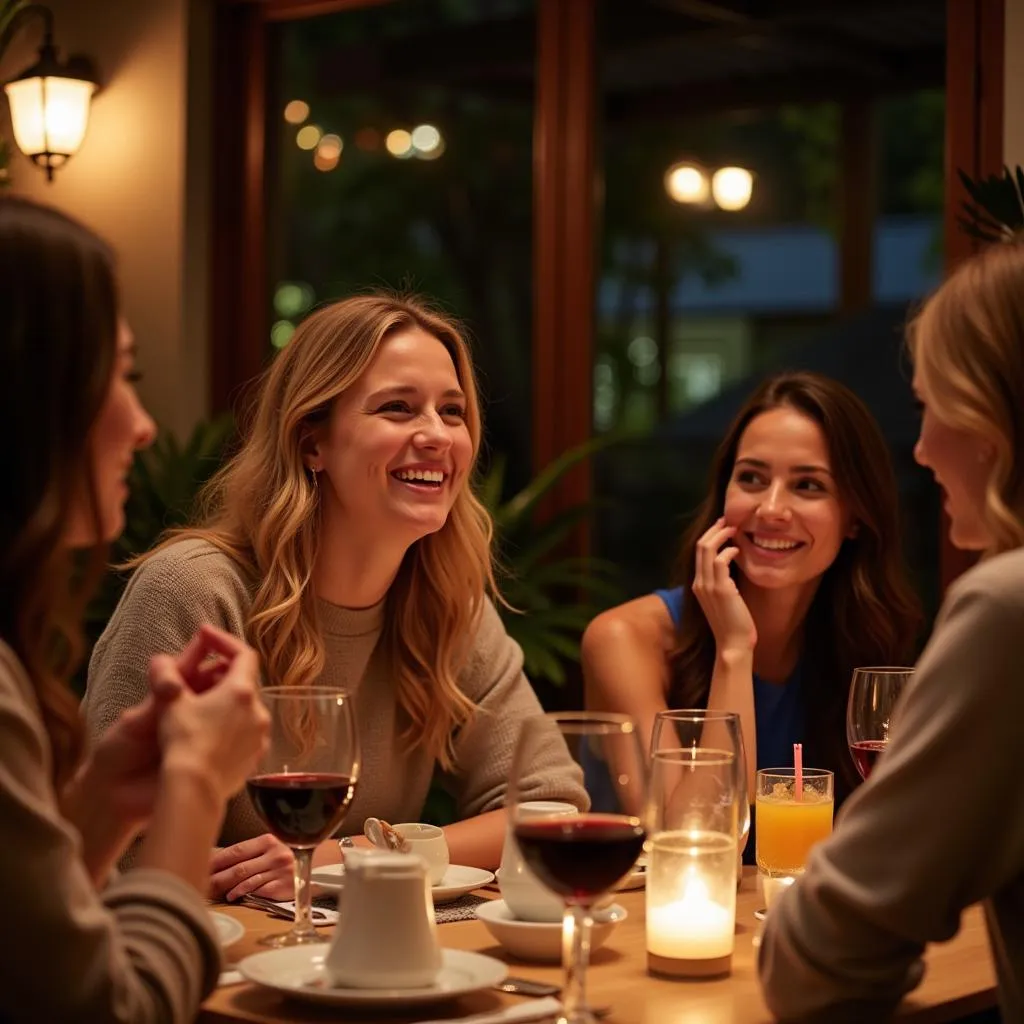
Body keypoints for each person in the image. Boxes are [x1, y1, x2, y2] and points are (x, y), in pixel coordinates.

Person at [84, 293, 586, 903]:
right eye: (398, 408)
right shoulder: (196, 590)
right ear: (310, 443)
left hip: (369, 959)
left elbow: (549, 805)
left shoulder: (449, 603)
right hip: (202, 960)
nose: (436, 435)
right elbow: (112, 849)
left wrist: (356, 857)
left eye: (452, 412)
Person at [0, 196, 270, 1023]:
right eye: (120, 375)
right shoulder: (196, 581)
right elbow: (109, 1010)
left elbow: (25, 956)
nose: (145, 426)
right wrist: (193, 780)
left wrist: (107, 802)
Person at [759, 244, 1024, 1022]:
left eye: (928, 405)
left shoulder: (1005, 609)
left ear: (990, 420)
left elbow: (820, 958)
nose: (922, 447)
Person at [583, 372, 921, 853]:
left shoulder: (866, 645)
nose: (771, 509)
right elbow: (688, 839)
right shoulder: (623, 639)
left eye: (808, 485)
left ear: (855, 518)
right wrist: (734, 651)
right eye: (752, 479)